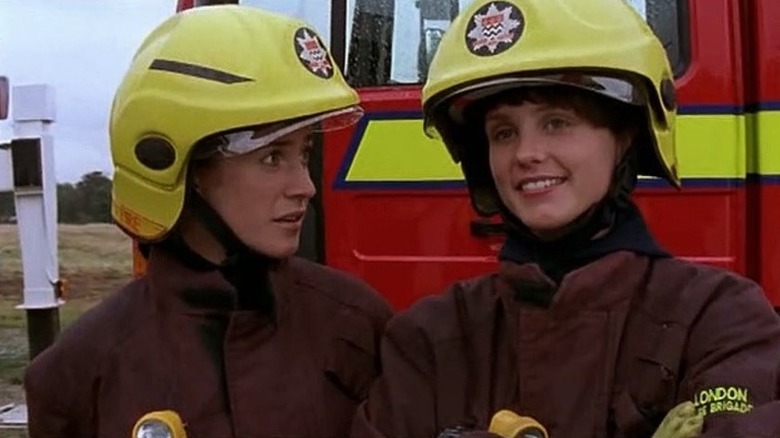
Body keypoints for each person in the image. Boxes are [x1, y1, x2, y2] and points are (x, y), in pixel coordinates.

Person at [350, 0, 780, 437]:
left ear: (625, 135)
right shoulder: (430, 338)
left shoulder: (718, 318)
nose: (526, 154)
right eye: (504, 132)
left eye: (557, 123)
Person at [23, 5, 393, 438]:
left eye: (304, 154)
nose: (305, 186)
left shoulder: (357, 325)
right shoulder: (81, 372)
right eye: (273, 158)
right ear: (180, 165)